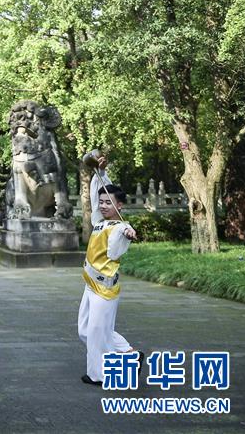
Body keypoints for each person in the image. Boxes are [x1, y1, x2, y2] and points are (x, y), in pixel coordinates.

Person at [78, 153, 142, 386]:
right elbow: (98, 189)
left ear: (120, 205)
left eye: (109, 202)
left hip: (105, 287)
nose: (104, 206)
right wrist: (101, 172)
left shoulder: (119, 226)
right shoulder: (99, 221)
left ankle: (101, 375)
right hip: (89, 285)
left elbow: (124, 234)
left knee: (97, 332)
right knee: (85, 330)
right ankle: (127, 353)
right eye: (102, 202)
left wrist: (129, 233)